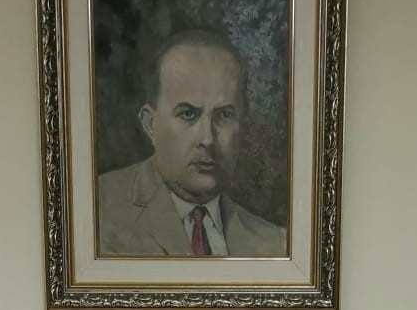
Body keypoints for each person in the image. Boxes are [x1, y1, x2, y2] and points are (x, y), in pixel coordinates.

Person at [96, 27, 287, 258]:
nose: (207, 138)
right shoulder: (95, 211)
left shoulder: (275, 243)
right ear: (150, 124)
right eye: (188, 114)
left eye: (224, 115)